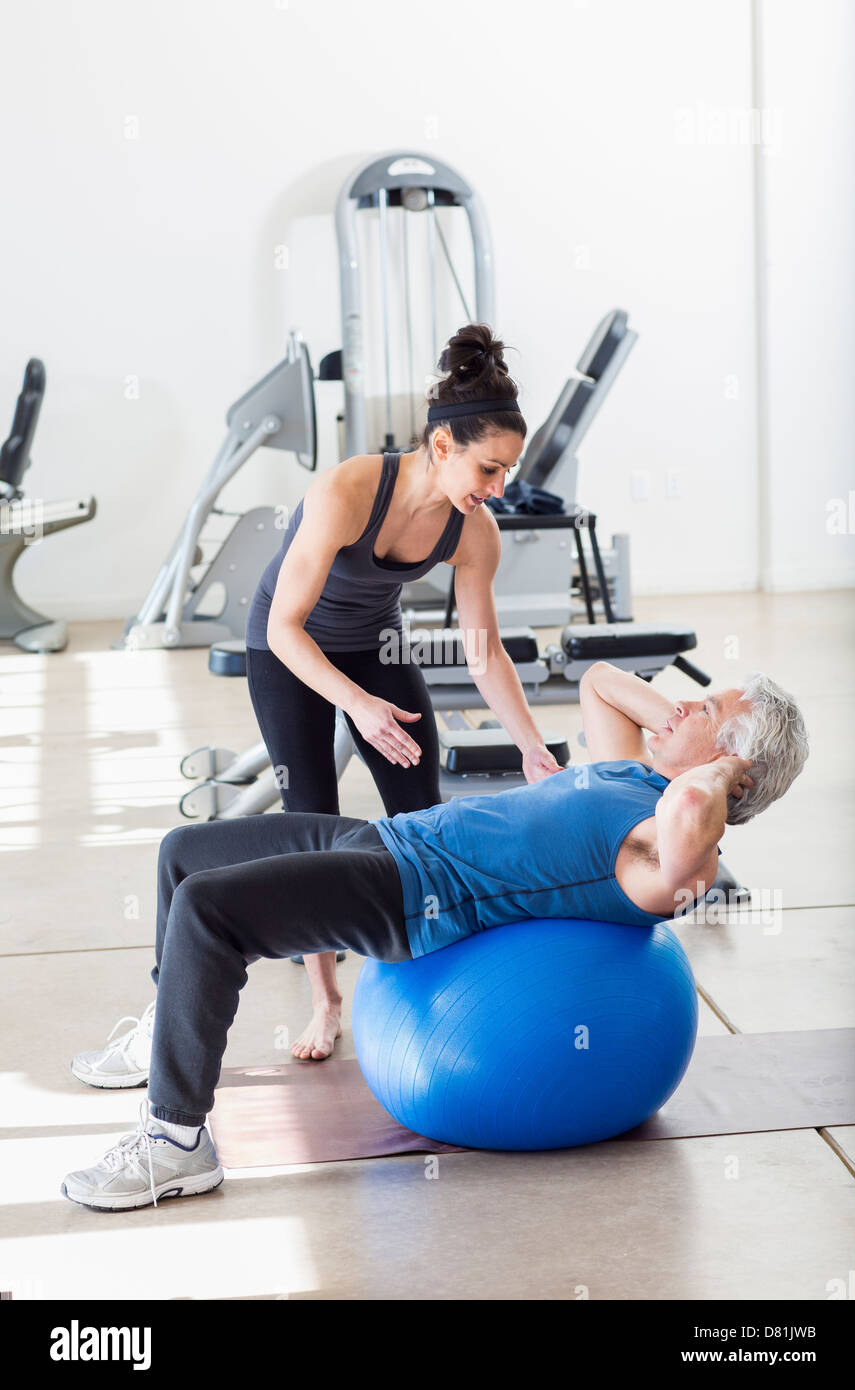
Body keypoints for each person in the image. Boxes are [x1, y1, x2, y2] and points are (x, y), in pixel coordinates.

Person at [62, 662, 808, 1210]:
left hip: (413, 897)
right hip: (387, 839)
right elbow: (601, 682)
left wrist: (725, 770)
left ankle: (177, 1141)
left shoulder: (670, 852)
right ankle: (167, 1031)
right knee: (182, 853)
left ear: (731, 768)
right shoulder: (630, 777)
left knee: (207, 910)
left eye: (704, 705)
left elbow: (689, 833)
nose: (679, 703)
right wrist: (692, 729)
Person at [242, 322, 561, 1062]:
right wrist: (355, 704)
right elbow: (289, 627)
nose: (498, 490)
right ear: (443, 446)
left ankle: (433, 971)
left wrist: (532, 746)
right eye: (489, 470)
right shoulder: (349, 488)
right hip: (286, 646)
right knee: (312, 815)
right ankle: (326, 1001)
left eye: (507, 473)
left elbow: (485, 654)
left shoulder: (474, 532)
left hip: (373, 644)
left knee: (421, 810)